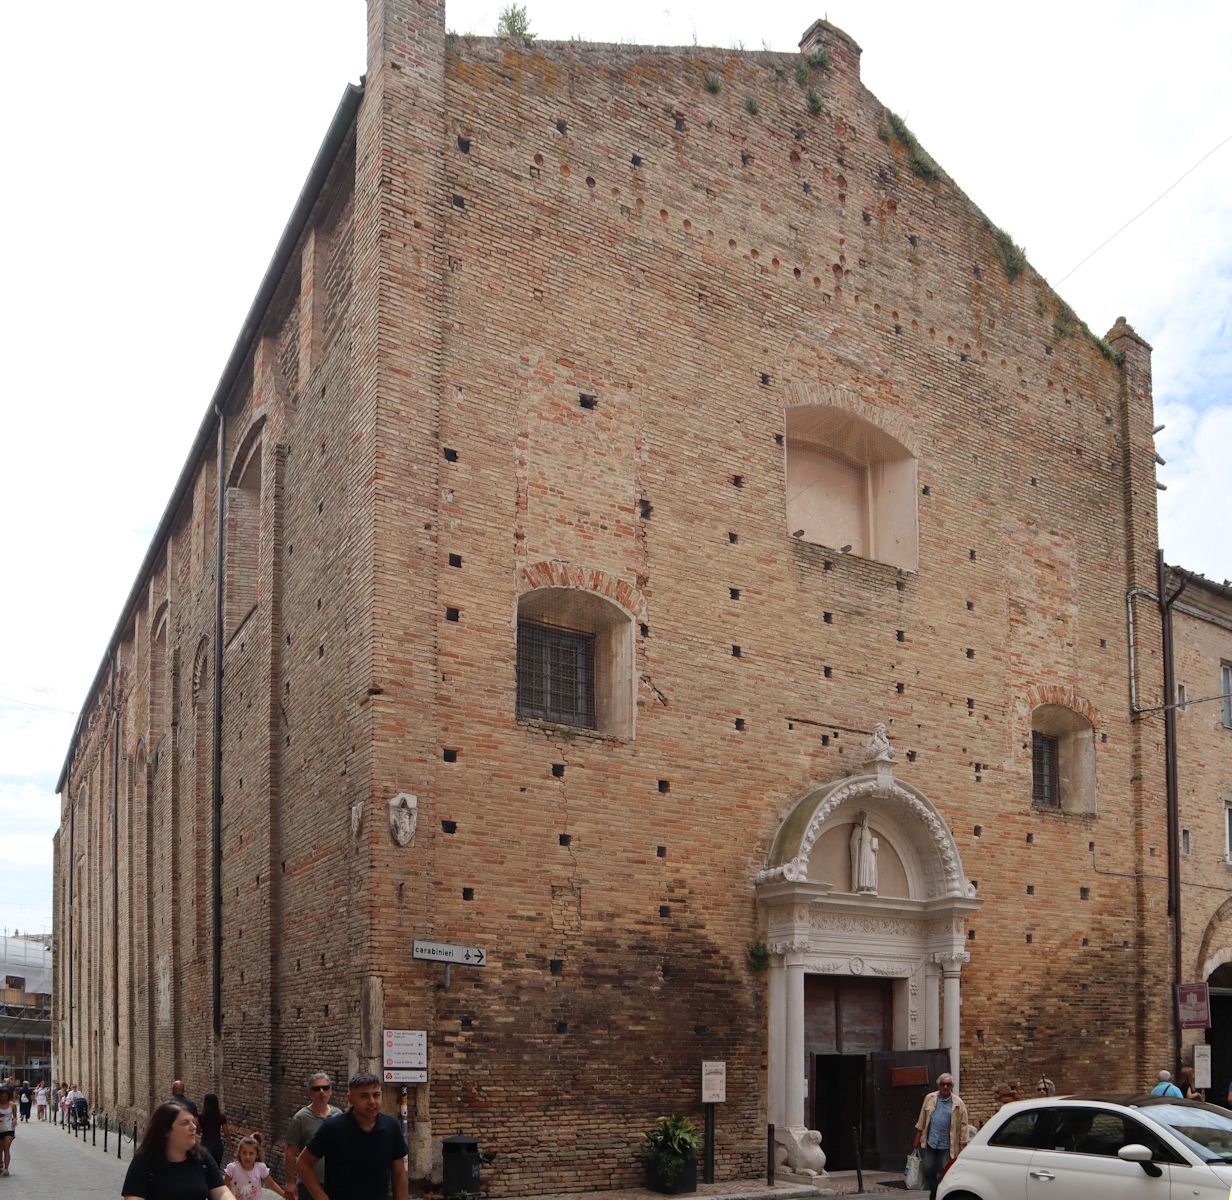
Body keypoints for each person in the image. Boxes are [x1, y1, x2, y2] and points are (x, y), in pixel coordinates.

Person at [297, 1072, 408, 1200]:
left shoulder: (391, 1127)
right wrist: (321, 1196)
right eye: (364, 1096)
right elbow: (303, 1163)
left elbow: (399, 1173)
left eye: (376, 1095)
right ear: (350, 1098)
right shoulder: (333, 1128)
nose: (372, 1102)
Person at [120, 1101, 236, 1200]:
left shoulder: (201, 1157)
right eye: (185, 1123)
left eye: (193, 1121)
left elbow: (222, 1192)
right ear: (166, 1131)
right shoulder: (144, 1161)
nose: (194, 1127)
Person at [284, 1072, 341, 1200]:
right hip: (308, 1184)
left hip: (334, 1182)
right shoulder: (300, 1118)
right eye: (316, 1089)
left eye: (325, 1088)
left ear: (330, 1091)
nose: (322, 1092)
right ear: (310, 1093)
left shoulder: (338, 1114)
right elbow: (290, 1152)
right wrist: (290, 1182)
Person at [913, 1073, 969, 1200]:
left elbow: (964, 1125)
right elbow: (922, 1118)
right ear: (939, 1085)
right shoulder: (930, 1098)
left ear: (952, 1086)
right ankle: (935, 1189)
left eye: (948, 1084)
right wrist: (917, 1136)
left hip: (947, 1144)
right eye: (942, 1084)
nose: (945, 1086)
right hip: (932, 1141)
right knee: (928, 1168)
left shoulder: (958, 1103)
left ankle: (937, 1195)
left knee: (945, 1170)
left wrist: (962, 1144)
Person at [226, 1133, 285, 1200]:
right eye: (244, 1153)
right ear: (239, 1153)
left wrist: (285, 1196)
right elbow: (224, 1188)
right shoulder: (232, 1168)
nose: (247, 1156)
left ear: (256, 1155)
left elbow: (272, 1184)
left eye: (251, 1153)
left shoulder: (260, 1168)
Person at [200, 1093, 230, 1166]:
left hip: (205, 1143)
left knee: (206, 1167)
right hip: (217, 1144)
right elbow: (226, 1133)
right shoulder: (221, 1116)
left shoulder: (201, 1116)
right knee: (217, 1167)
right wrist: (230, 1145)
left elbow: (198, 1131)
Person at [0, 1086, 16, 1176]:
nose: (3, 1098)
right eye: (1, 1096)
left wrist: (15, 1120)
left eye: (5, 1096)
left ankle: (6, 1169)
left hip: (9, 1129)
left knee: (6, 1148)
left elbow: (15, 1116)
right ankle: (0, 1165)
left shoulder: (12, 1105)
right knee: (0, 1149)